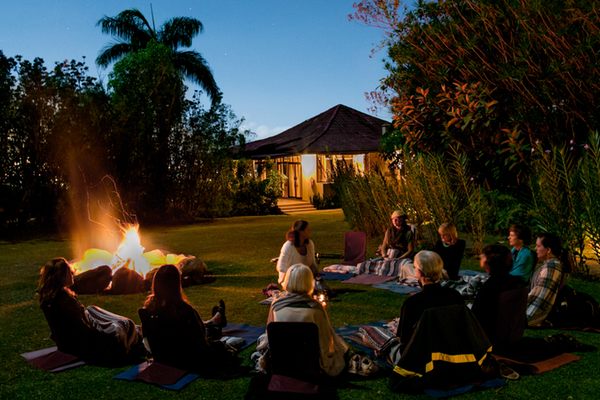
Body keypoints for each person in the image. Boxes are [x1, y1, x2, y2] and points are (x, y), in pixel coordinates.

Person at [37, 257, 144, 365]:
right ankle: (138, 334)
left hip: (68, 343)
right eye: (70, 271)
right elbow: (84, 330)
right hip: (86, 345)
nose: (73, 273)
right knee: (124, 324)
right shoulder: (65, 301)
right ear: (62, 276)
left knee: (92, 309)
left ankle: (136, 331)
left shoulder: (49, 297)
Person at [140, 264, 235, 373]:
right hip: (187, 359)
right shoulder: (184, 310)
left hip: (163, 358)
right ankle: (216, 321)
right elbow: (200, 340)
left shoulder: (147, 310)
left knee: (203, 330)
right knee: (220, 345)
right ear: (176, 284)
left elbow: (147, 339)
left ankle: (215, 320)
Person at [266, 263, 348, 377]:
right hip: (310, 361)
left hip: (282, 359)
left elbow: (269, 335)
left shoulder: (276, 305)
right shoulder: (316, 309)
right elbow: (325, 340)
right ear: (309, 282)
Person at [395, 251, 463, 354]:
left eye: (414, 267)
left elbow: (404, 339)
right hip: (453, 350)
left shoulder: (412, 303)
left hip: (422, 356)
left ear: (420, 272)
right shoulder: (455, 295)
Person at [471, 244, 527, 347]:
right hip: (513, 335)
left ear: (489, 262)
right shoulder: (519, 282)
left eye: (482, 257)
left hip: (490, 340)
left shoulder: (490, 288)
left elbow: (475, 319)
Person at [527, 233, 568, 327]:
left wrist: (524, 317)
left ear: (548, 250)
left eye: (538, 246)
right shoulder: (548, 264)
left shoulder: (551, 267)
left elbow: (541, 298)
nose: (535, 249)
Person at [276, 220, 318, 285]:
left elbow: (312, 263)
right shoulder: (288, 246)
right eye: (307, 229)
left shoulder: (309, 244)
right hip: (290, 280)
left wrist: (317, 275)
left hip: (306, 278)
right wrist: (284, 281)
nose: (310, 231)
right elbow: (281, 267)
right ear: (301, 232)